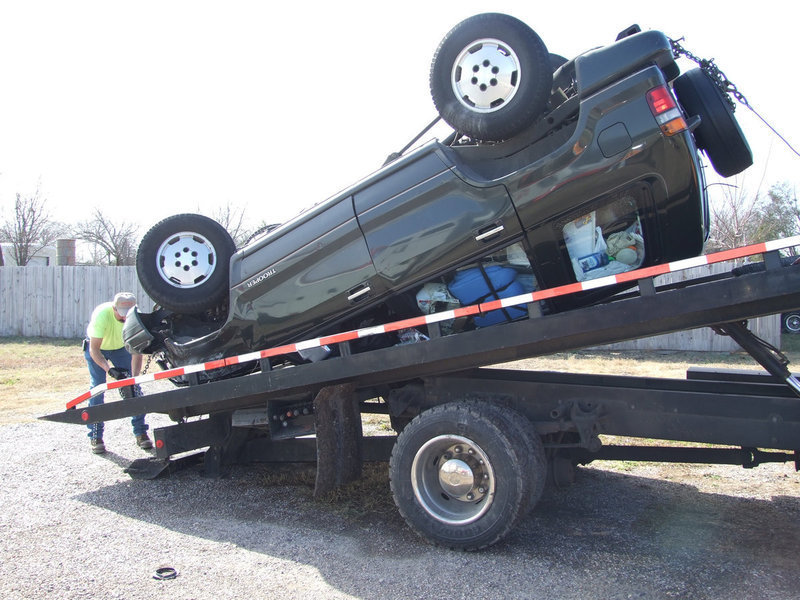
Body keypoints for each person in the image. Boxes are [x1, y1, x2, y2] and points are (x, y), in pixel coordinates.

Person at [83, 292, 151, 454]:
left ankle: (141, 433)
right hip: (99, 350)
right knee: (98, 389)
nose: (123, 319)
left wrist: (134, 379)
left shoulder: (135, 318)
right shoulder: (102, 315)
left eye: (126, 316)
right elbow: (94, 349)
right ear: (114, 308)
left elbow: (136, 352)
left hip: (122, 349)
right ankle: (95, 436)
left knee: (134, 390)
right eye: (121, 315)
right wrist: (109, 370)